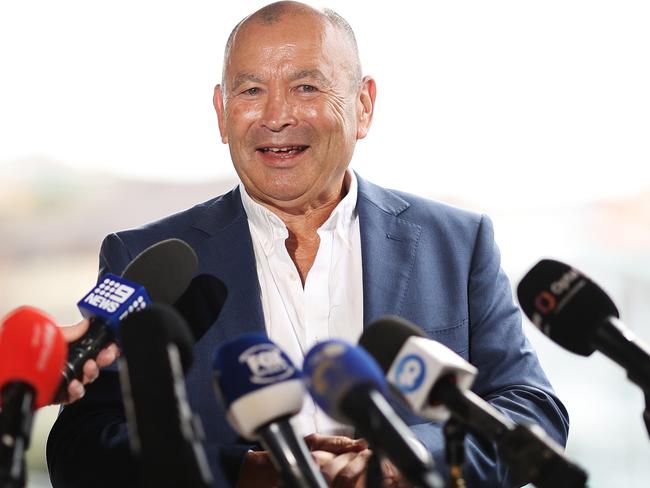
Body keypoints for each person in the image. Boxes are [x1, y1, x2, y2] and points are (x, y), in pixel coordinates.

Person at [47, 2, 569, 487]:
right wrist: (242, 473)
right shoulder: (147, 258)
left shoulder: (458, 242)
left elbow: (532, 409)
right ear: (221, 111)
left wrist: (402, 460)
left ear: (363, 106)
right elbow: (81, 445)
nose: (275, 116)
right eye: (250, 91)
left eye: (305, 87)